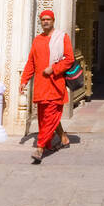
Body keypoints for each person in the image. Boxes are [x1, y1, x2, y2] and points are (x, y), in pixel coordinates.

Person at [21, 9, 74, 164]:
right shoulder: (37, 40)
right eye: (43, 19)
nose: (45, 22)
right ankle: (63, 138)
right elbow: (31, 62)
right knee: (45, 117)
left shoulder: (62, 37)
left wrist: (54, 68)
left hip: (55, 84)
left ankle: (40, 148)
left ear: (53, 21)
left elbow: (69, 59)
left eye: (48, 19)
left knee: (50, 115)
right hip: (40, 85)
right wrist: (24, 80)